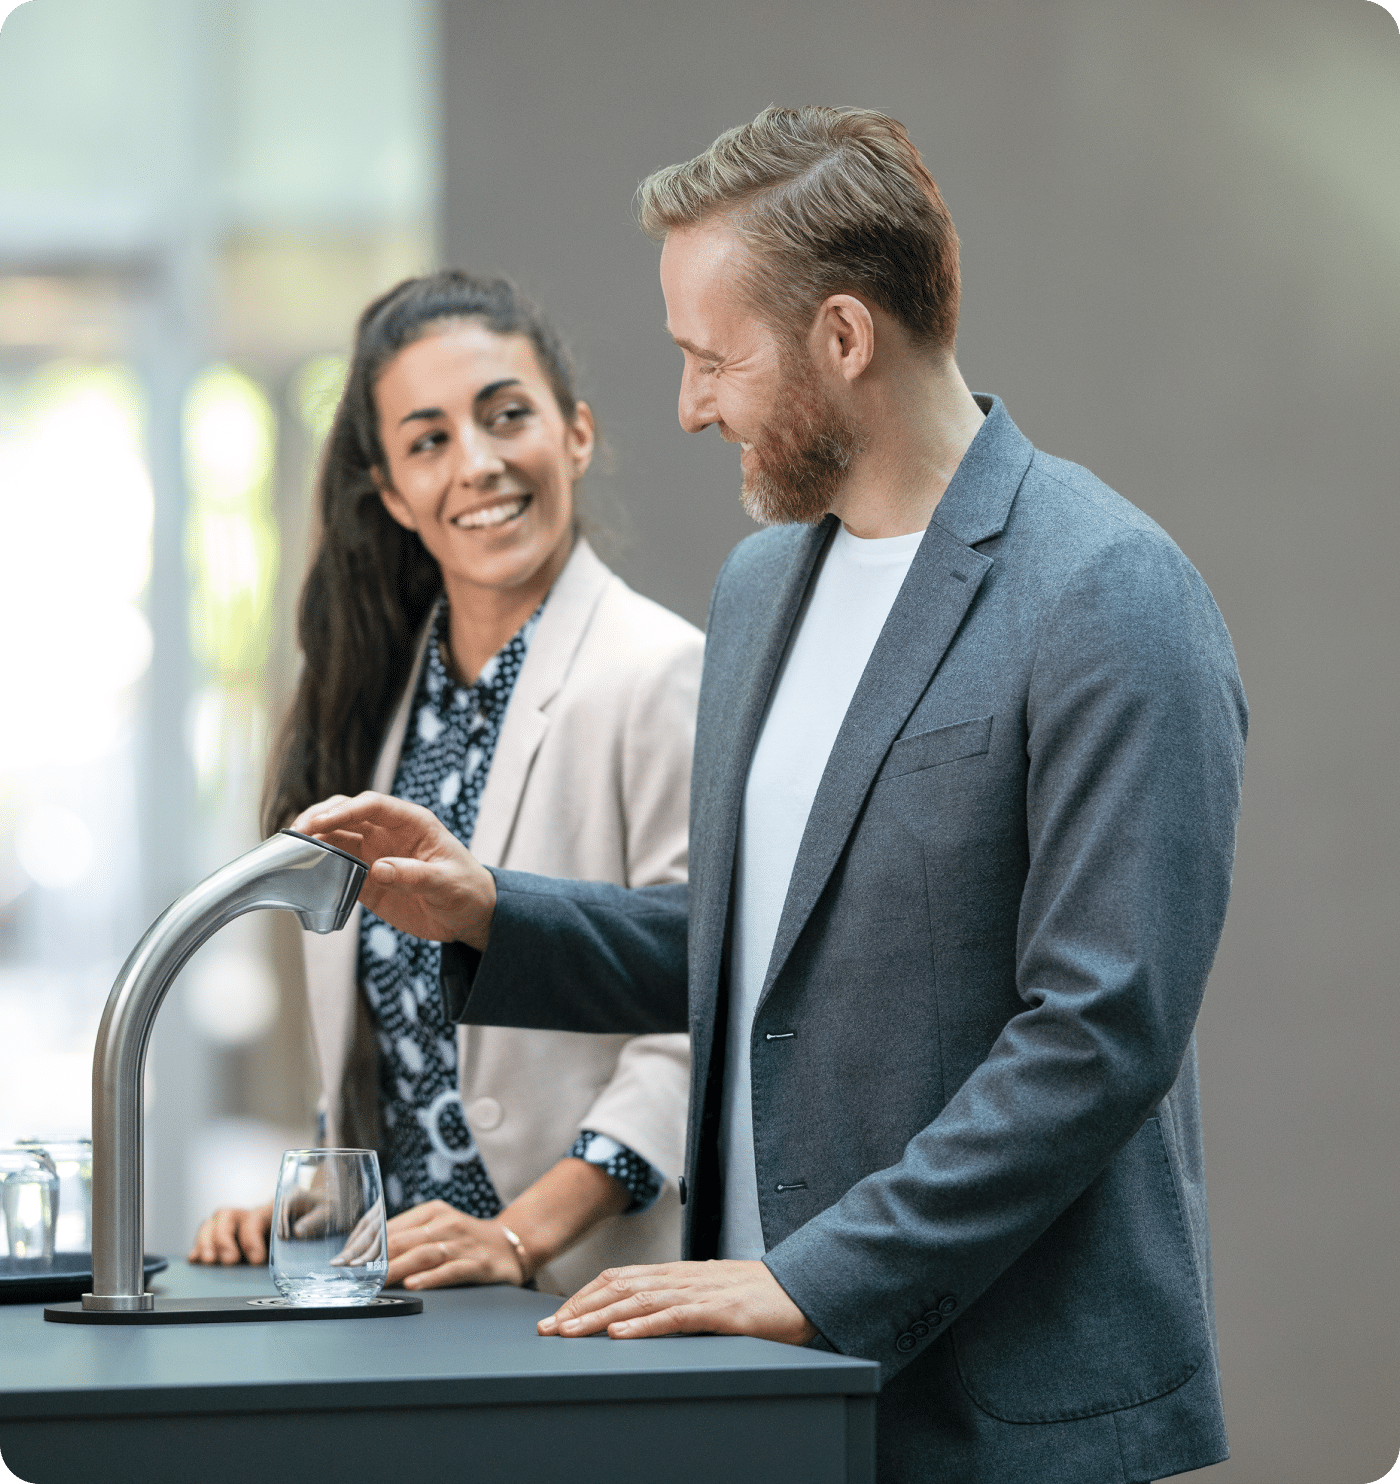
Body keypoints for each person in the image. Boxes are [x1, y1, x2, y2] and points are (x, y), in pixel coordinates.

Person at [295, 109, 1247, 1484]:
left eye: (710, 357)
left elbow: (1099, 1034)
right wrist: (491, 910)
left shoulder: (1112, 594)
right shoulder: (761, 588)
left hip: (999, 1410)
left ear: (843, 338)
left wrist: (813, 1276)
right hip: (759, 1393)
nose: (687, 406)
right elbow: (762, 957)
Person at [189, 271, 702, 1298]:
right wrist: (319, 1201)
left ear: (575, 434)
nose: (476, 462)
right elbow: (392, 1041)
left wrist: (515, 1236)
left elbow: (691, 1018)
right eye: (427, 439)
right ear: (390, 493)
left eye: (506, 415)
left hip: (570, 1294)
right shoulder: (375, 697)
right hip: (401, 1295)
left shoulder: (660, 670)